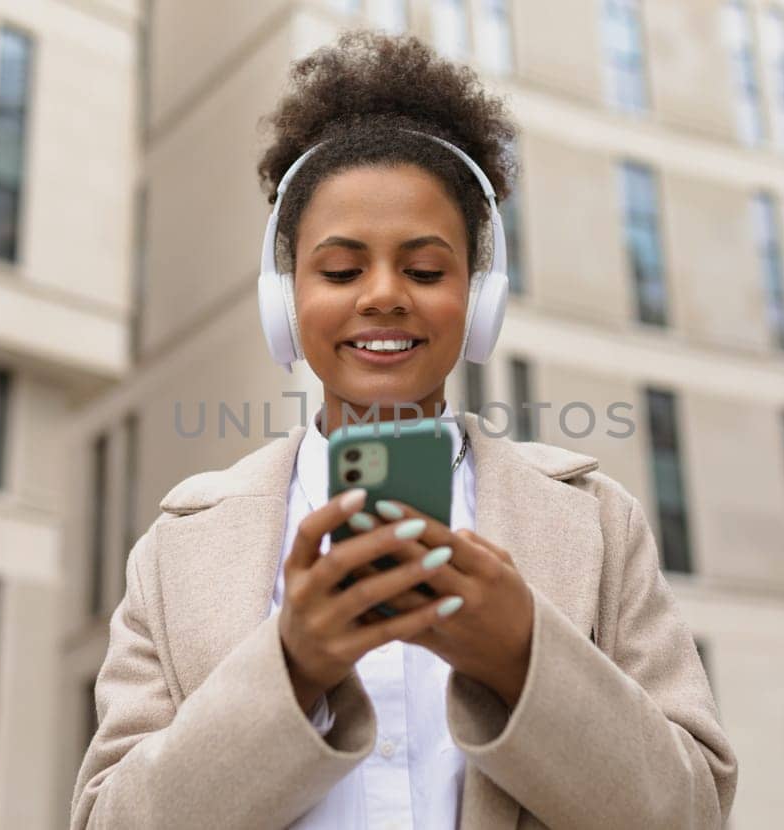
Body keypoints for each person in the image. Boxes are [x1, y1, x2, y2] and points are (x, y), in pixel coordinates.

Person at [70, 31, 736, 829]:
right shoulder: (178, 550)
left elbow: (690, 812)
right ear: (284, 299)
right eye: (341, 270)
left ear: (479, 297)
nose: (384, 296)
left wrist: (523, 658)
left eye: (425, 270)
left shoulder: (597, 521)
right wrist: (291, 669)